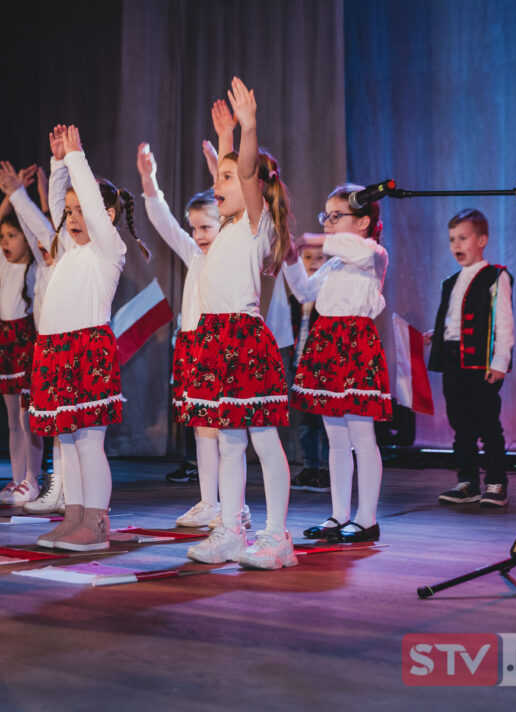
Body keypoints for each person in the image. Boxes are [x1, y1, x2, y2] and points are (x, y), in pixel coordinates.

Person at [181, 78, 295, 569]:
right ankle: (229, 528)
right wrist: (224, 140)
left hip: (241, 339)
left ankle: (275, 537)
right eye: (216, 180)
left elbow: (244, 173)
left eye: (225, 180)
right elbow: (231, 173)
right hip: (212, 338)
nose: (216, 185)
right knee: (228, 440)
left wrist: (247, 128)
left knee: (262, 439)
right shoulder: (228, 227)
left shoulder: (255, 220)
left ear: (254, 187)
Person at [29, 124, 136, 552]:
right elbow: (57, 204)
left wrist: (77, 159)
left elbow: (89, 203)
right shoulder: (69, 249)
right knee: (66, 440)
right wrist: (58, 164)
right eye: (69, 212)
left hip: (86, 348)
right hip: (54, 350)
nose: (73, 217)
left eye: (81, 211)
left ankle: (95, 523)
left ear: (105, 216)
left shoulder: (108, 251)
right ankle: (73, 516)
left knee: (89, 441)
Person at [285, 183, 391, 542]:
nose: (328, 223)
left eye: (335, 216)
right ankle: (339, 514)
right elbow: (305, 293)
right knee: (336, 439)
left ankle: (367, 518)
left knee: (362, 436)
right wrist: (289, 258)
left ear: (362, 223)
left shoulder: (373, 252)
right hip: (327, 341)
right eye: (325, 217)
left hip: (355, 344)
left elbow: (358, 254)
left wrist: (313, 237)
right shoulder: (332, 262)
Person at [136, 140, 229, 528]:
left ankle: (231, 504)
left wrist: (217, 172)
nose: (199, 234)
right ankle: (209, 501)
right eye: (196, 228)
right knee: (201, 427)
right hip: (192, 344)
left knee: (227, 431)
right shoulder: (194, 253)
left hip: (222, 343)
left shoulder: (232, 252)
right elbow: (164, 223)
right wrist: (149, 180)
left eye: (207, 226)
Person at [428, 209, 514, 508]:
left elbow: (503, 321)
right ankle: (467, 482)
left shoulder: (496, 275)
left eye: (463, 238)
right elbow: (454, 318)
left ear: (482, 240)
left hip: (480, 362)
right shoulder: (450, 281)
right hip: (453, 358)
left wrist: (500, 360)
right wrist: (436, 334)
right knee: (460, 422)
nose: (456, 245)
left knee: (487, 421)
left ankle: (496, 482)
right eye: (452, 239)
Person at [0, 161, 48, 505]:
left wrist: (32, 194)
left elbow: (41, 228)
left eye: (14, 236)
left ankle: (32, 478)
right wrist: (9, 196)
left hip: (27, 340)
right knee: (12, 418)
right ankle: (15, 480)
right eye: (4, 238)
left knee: (29, 418)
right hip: (5, 343)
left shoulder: (34, 265)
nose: (6, 241)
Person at [288, 244, 330, 492]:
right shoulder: (294, 299)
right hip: (299, 364)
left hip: (322, 366)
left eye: (320, 258)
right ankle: (310, 465)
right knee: (305, 421)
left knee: (325, 420)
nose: (313, 262)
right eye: (308, 257)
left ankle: (325, 468)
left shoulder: (327, 296)